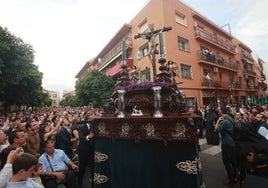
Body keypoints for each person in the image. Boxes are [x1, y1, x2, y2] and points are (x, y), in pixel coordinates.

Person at [214, 106, 238, 186]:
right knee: (232, 161)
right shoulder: (230, 118)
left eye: (219, 110)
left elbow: (216, 130)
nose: (218, 111)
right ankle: (235, 176)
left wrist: (217, 121)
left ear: (221, 112)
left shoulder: (224, 122)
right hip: (232, 143)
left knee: (227, 162)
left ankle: (231, 180)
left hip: (227, 144)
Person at [77, 118, 94, 187]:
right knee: (82, 167)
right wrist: (88, 137)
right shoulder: (81, 127)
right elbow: (81, 137)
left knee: (93, 166)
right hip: (83, 150)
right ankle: (79, 183)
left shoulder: (94, 126)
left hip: (92, 149)